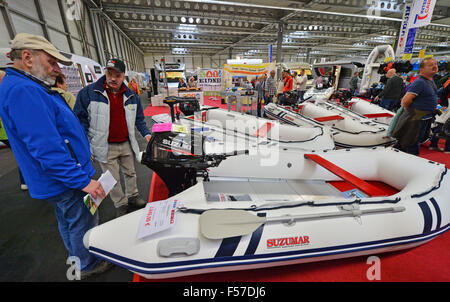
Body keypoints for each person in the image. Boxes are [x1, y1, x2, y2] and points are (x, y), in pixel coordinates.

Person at [0, 33, 111, 279]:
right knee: (81, 220)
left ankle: (78, 256)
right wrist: (82, 181)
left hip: (63, 176)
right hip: (66, 179)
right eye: (51, 62)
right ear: (28, 58)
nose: (56, 68)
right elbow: (47, 149)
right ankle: (87, 263)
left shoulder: (26, 86)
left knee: (69, 220)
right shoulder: (24, 91)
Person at [74, 58, 152, 217]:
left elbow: (139, 120)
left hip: (126, 143)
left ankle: (133, 196)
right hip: (105, 145)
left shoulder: (131, 95)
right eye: (109, 73)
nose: (113, 78)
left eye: (117, 75)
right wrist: (85, 146)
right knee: (112, 178)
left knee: (131, 173)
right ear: (105, 73)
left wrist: (147, 134)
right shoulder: (88, 93)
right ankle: (121, 203)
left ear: (124, 76)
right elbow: (80, 121)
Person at [392, 57, 439, 156]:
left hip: (423, 118)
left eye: (435, 64)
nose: (435, 66)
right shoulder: (420, 82)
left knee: (409, 143)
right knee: (411, 144)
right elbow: (405, 101)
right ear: (421, 69)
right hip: (416, 119)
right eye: (431, 65)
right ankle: (408, 165)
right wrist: (413, 112)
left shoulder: (430, 81)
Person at [0, 70, 27, 190]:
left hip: (5, 134)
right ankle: (25, 181)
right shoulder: (6, 94)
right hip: (8, 133)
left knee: (22, 155)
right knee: (24, 155)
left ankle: (25, 181)